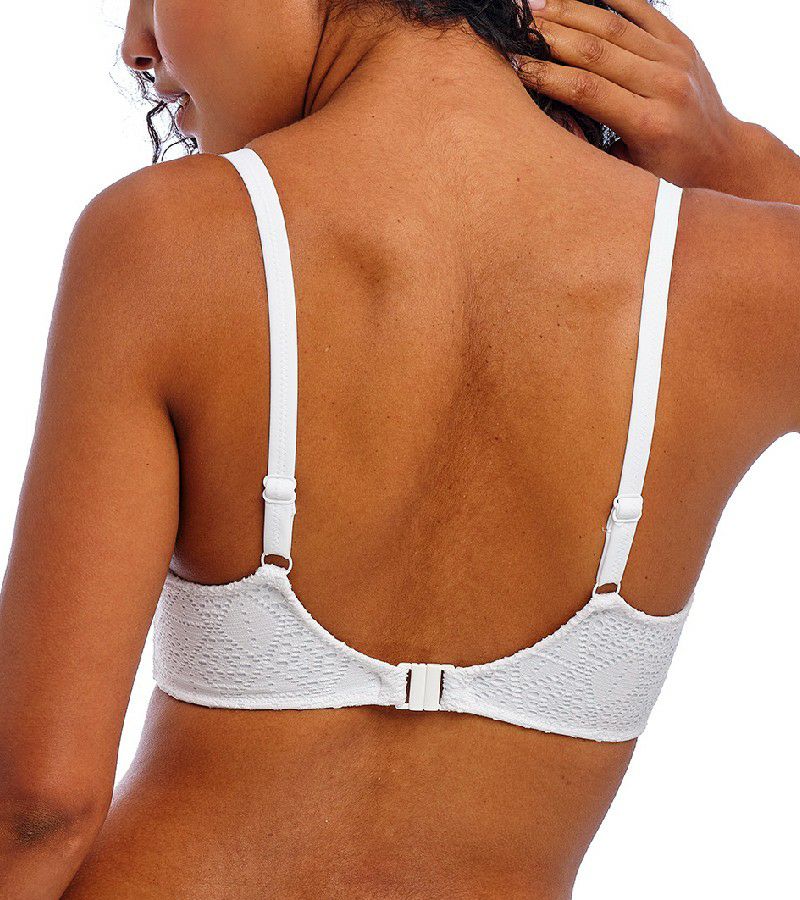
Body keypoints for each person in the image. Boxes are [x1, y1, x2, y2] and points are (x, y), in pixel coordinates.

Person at [0, 0, 797, 896]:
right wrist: (745, 161)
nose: (136, 42)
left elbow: (37, 807)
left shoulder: (162, 244)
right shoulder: (753, 278)